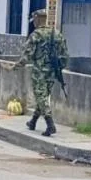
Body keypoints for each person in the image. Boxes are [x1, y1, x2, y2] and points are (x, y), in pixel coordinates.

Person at [11, 8, 69, 136]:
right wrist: (58, 68)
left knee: (41, 96)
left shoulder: (36, 35)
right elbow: (65, 56)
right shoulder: (57, 34)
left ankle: (50, 125)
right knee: (42, 96)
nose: (34, 23)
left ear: (37, 19)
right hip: (52, 72)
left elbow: (27, 55)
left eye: (34, 20)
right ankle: (33, 122)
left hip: (39, 72)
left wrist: (17, 66)